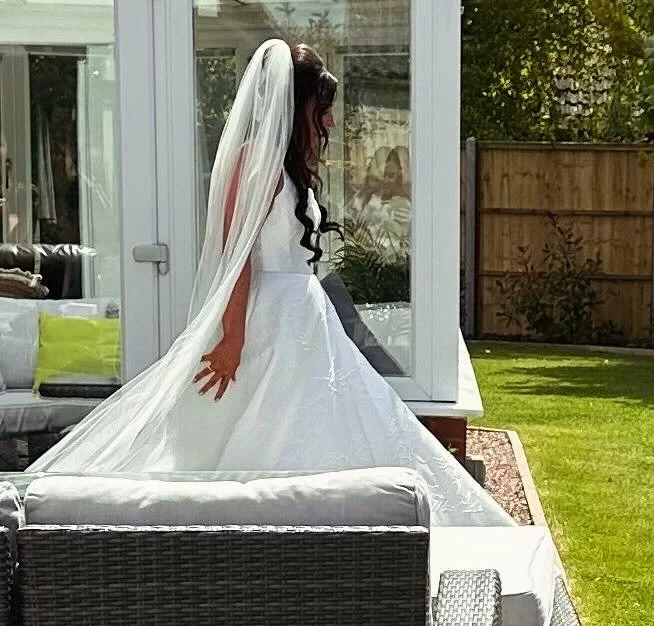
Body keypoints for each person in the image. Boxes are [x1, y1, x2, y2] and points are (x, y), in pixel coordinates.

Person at [32, 40, 514, 529]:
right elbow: (237, 255)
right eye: (322, 110)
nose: (328, 122)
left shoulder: (289, 169)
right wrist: (233, 338)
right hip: (268, 320)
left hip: (306, 319)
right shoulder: (254, 164)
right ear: (297, 106)